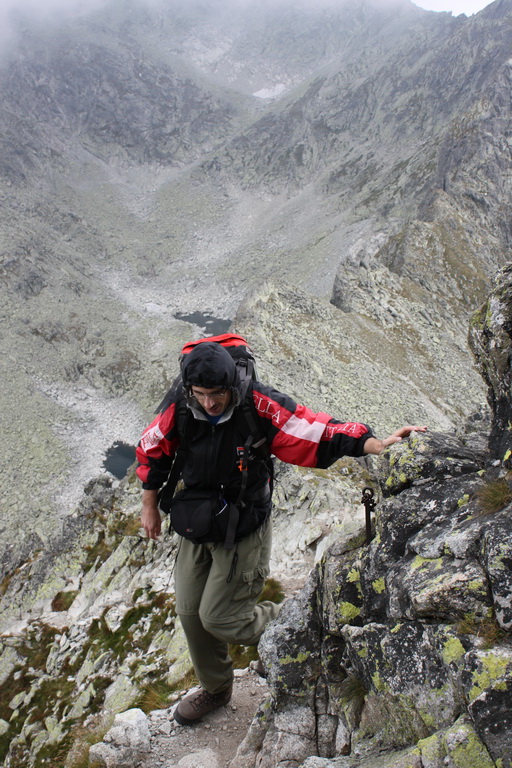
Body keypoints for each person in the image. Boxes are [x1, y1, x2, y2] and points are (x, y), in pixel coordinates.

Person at [136, 341, 427, 725]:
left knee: (221, 620)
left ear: (231, 387)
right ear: (190, 388)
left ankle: (303, 621)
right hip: (198, 520)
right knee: (191, 614)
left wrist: (376, 443)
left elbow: (315, 430)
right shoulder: (180, 406)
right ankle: (217, 688)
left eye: (217, 394)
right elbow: (152, 448)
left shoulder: (257, 404)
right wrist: (149, 506)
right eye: (201, 395)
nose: (209, 404)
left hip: (243, 523)